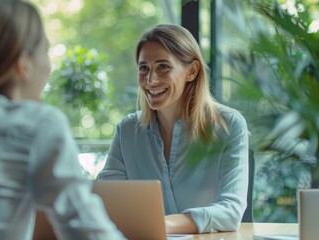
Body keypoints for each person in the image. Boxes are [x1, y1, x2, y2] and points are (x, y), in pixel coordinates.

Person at [0, 1, 124, 239]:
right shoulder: (34, 123)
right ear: (23, 64)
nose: (48, 67)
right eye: (45, 51)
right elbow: (91, 233)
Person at [97, 24, 249, 234]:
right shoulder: (128, 130)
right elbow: (106, 201)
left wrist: (160, 224)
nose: (151, 80)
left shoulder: (229, 125)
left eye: (163, 67)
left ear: (192, 71)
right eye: (144, 68)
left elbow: (231, 212)